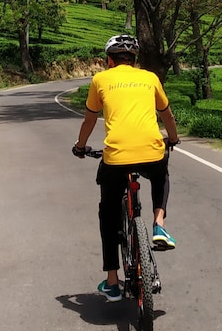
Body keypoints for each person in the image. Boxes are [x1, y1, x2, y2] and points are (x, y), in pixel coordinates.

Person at [72, 34, 180, 302]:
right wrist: (174, 138)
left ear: (109, 60)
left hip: (117, 158)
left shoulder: (100, 80)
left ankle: (111, 281)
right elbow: (166, 114)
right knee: (160, 174)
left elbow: (89, 120)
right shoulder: (150, 78)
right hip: (151, 152)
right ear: (135, 60)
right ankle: (159, 225)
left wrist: (80, 146)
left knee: (107, 214)